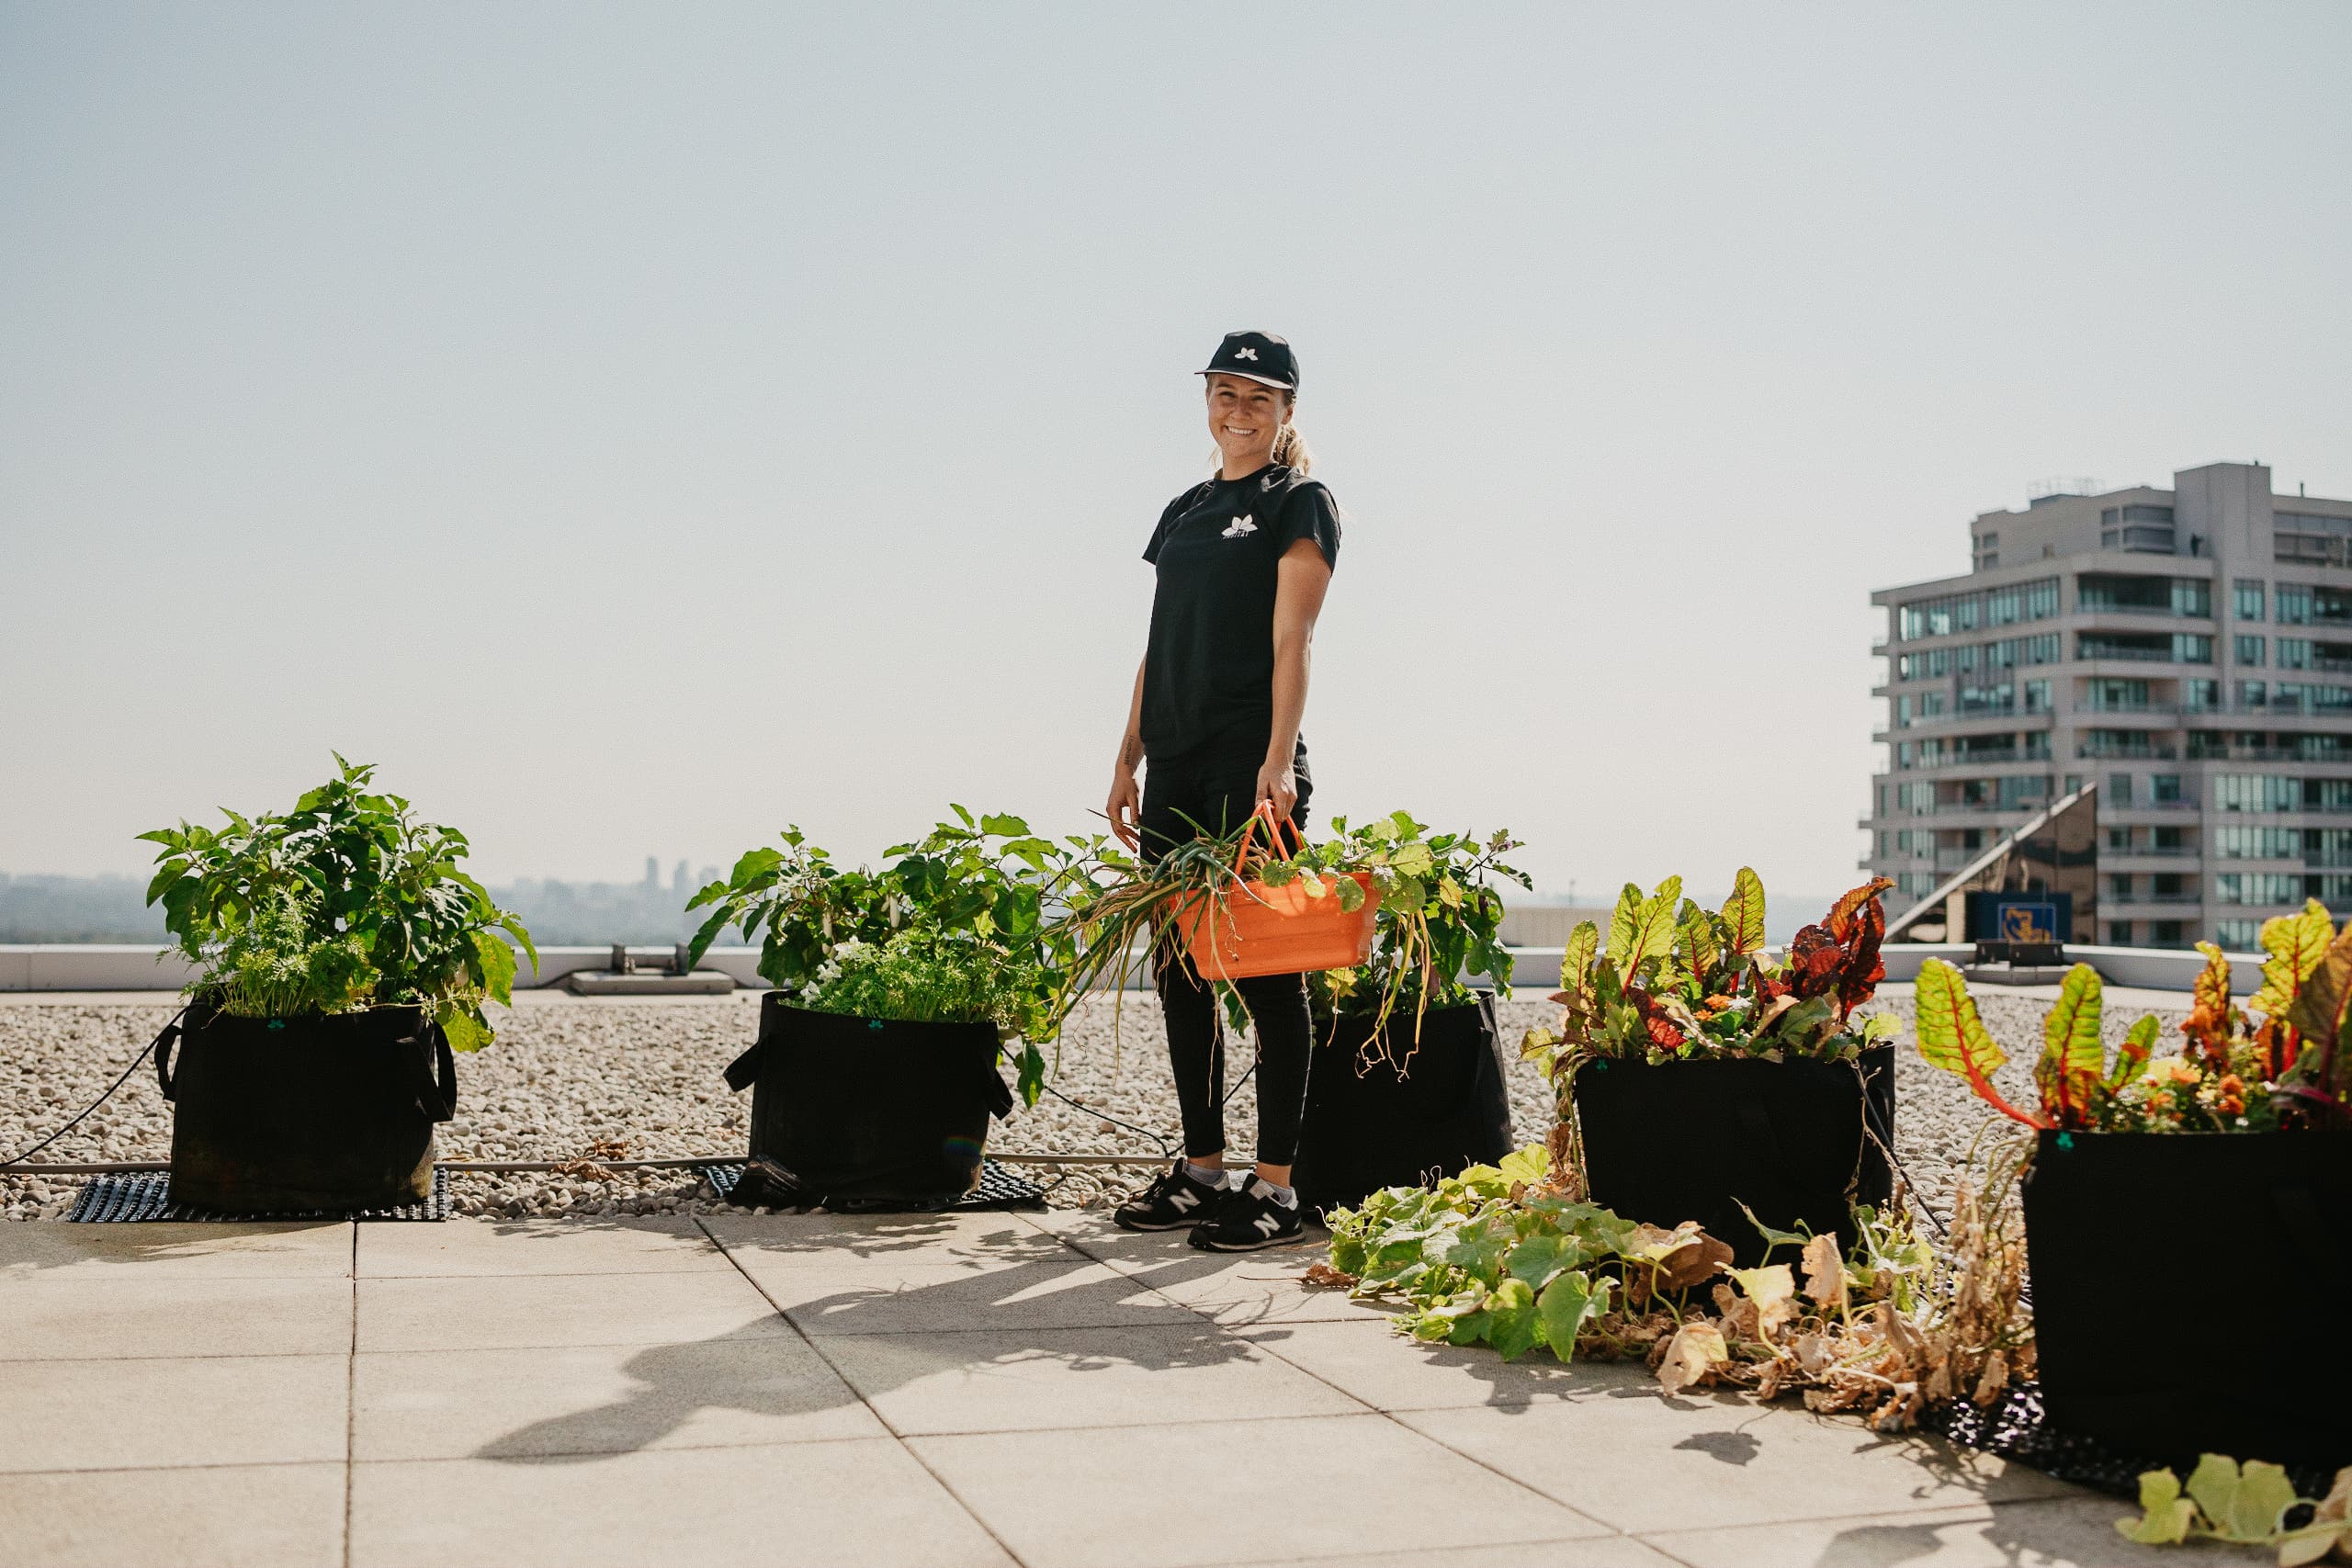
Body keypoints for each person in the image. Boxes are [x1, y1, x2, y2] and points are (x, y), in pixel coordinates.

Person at [1105, 330, 1340, 1250]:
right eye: (1224, 392)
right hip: (1174, 757)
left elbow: (1295, 642)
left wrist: (1278, 760)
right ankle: (1203, 1170)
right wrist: (1126, 754)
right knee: (1178, 973)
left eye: (1257, 397)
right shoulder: (1185, 510)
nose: (1237, 410)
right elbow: (1158, 643)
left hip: (1250, 763)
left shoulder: (1300, 502)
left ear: (1286, 412)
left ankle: (1277, 1186)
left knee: (1270, 980)